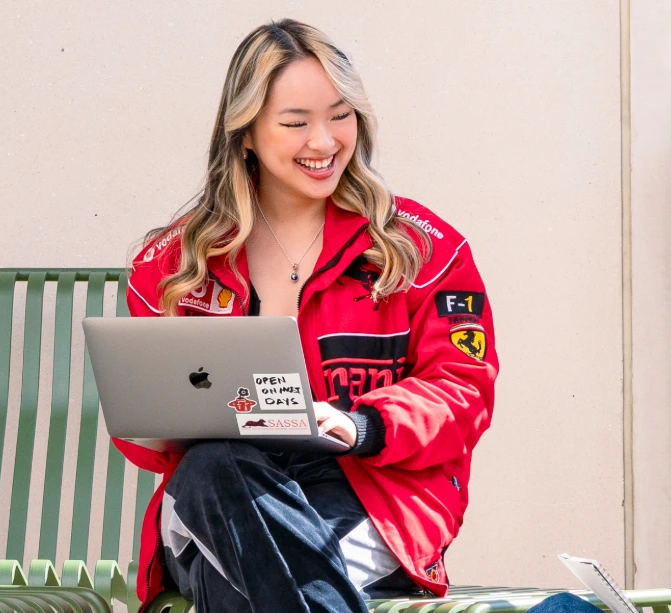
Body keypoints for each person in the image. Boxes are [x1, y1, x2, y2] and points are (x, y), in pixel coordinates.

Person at [113, 19, 498, 613]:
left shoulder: (424, 248)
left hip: (371, 497)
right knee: (214, 470)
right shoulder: (174, 264)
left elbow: (463, 388)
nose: (324, 142)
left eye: (340, 115)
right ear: (244, 134)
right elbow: (145, 440)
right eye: (295, 123)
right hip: (213, 494)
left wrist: (362, 424)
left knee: (245, 580)